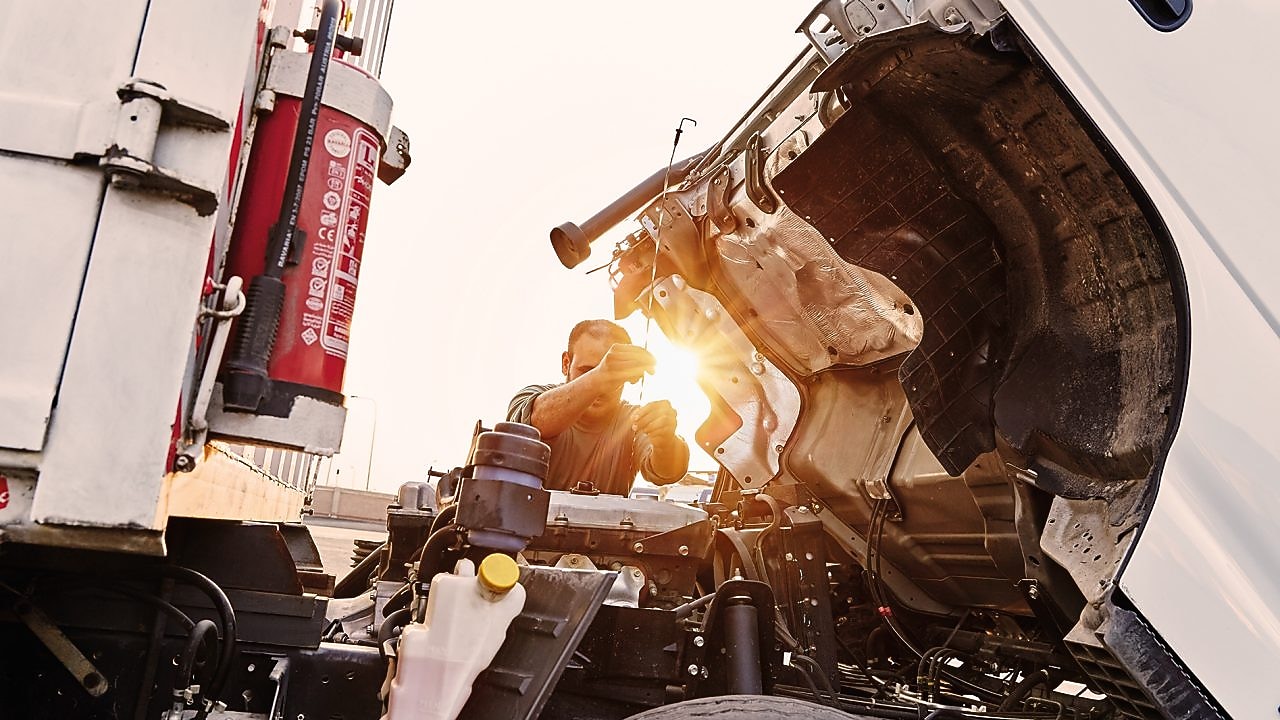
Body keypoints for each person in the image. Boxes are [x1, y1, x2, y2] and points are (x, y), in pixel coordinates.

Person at [507, 319, 690, 495]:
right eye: (587, 371)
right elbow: (533, 423)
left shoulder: (632, 420)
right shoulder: (532, 397)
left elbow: (667, 472)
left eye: (614, 375)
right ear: (566, 363)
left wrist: (665, 440)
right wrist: (600, 376)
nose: (602, 388)